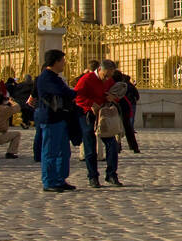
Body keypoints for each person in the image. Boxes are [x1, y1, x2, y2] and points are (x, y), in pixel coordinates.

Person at [74, 58, 122, 187]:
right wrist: (90, 104)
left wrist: (112, 98)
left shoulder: (109, 80)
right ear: (99, 69)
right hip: (87, 115)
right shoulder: (86, 79)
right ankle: (93, 176)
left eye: (109, 76)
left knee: (112, 144)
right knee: (90, 147)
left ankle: (111, 174)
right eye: (105, 76)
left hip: (103, 115)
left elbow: (115, 93)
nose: (107, 79)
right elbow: (77, 96)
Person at [35, 49, 77, 192]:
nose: (64, 64)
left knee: (63, 151)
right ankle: (49, 181)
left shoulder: (55, 77)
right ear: (55, 61)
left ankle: (60, 178)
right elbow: (64, 92)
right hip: (50, 118)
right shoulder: (46, 77)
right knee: (50, 151)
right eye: (62, 61)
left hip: (60, 117)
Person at [111, 67, 140, 153]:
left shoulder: (114, 86)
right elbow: (137, 96)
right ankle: (134, 146)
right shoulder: (127, 85)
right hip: (126, 106)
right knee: (128, 128)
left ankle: (118, 145)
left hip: (117, 106)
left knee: (116, 127)